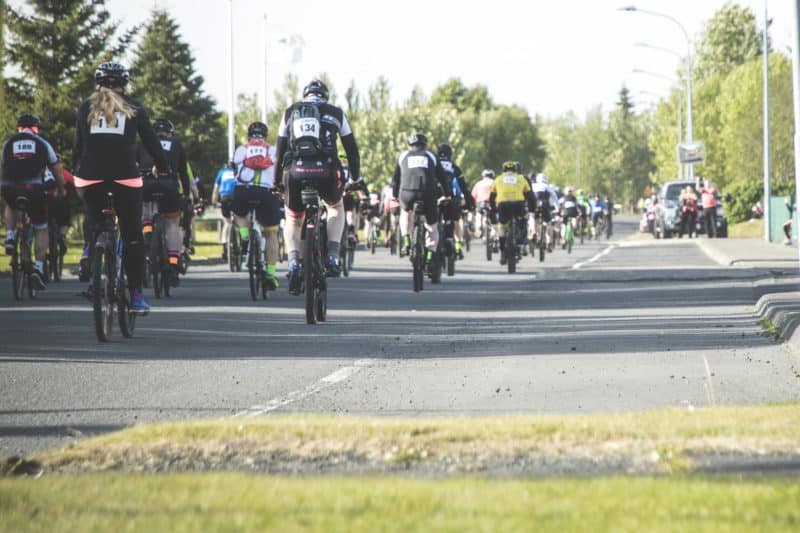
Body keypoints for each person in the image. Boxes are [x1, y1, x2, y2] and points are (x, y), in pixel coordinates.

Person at [73, 61, 171, 315]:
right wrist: (162, 168)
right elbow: (152, 143)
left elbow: (78, 147)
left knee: (94, 216)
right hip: (124, 177)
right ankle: (136, 296)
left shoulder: (85, 107)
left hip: (89, 178)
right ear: (124, 83)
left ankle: (89, 250)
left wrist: (78, 173)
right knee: (132, 236)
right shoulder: (133, 108)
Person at [274, 79, 361, 294]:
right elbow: (352, 150)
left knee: (293, 218)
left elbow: (279, 152)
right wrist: (355, 179)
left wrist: (276, 182)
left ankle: (294, 263)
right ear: (325, 96)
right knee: (335, 207)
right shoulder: (336, 113)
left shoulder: (290, 112)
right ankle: (332, 256)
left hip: (295, 171)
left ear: (305, 96)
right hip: (327, 171)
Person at [1, 113, 66, 289]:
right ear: (35, 129)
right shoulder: (42, 143)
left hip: (11, 187)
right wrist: (61, 190)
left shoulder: (8, 143)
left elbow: (2, 168)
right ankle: (38, 268)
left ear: (19, 128)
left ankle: (10, 236)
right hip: (34, 188)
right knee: (41, 227)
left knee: (10, 205)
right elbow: (56, 170)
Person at [137, 118, 191, 285]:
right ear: (170, 133)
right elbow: (183, 173)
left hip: (147, 183)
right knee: (172, 224)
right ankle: (173, 263)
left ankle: (147, 230)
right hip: (169, 185)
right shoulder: (176, 144)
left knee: (146, 205)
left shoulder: (142, 144)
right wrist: (186, 194)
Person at [231, 121, 282, 289]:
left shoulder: (241, 149)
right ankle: (271, 274)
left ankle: (245, 236)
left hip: (244, 190)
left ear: (249, 136)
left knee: (239, 213)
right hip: (266, 192)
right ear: (266, 136)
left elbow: (234, 168)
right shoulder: (273, 150)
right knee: (271, 234)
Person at [391, 132, 451, 265]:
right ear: (425, 145)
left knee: (405, 213)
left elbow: (395, 179)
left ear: (409, 145)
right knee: (432, 227)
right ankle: (430, 256)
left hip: (407, 193)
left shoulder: (403, 156)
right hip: (428, 193)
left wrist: (395, 195)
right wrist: (447, 194)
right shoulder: (431, 156)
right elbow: (442, 178)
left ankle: (406, 240)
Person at [490, 161, 536, 265]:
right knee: (523, 221)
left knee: (502, 226)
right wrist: (532, 209)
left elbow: (492, 197)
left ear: (503, 170)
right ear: (515, 170)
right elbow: (530, 196)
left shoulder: (498, 179)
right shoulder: (521, 178)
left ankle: (502, 249)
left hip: (503, 204)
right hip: (518, 204)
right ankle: (520, 245)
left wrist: (493, 208)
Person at [436, 143, 474, 259]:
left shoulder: (433, 163)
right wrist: (469, 203)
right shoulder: (453, 167)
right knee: (454, 220)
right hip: (450, 197)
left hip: (435, 196)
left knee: (430, 221)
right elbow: (464, 187)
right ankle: (453, 241)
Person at [211, 164, 237, 261]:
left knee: (226, 223)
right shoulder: (239, 171)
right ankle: (239, 242)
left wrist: (214, 202)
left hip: (225, 197)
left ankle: (224, 246)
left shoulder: (221, 172)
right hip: (236, 196)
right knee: (240, 219)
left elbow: (216, 188)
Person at [531, 173, 558, 252]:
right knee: (549, 223)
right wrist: (558, 207)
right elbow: (554, 197)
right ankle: (549, 241)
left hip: (535, 205)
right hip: (545, 205)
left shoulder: (533, 186)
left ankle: (534, 232)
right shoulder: (547, 186)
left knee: (533, 218)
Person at [471, 169, 496, 240]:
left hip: (480, 203)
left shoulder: (478, 183)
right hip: (491, 203)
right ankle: (493, 233)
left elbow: (473, 195)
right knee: (494, 219)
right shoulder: (494, 183)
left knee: (479, 215)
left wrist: (472, 205)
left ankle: (479, 227)